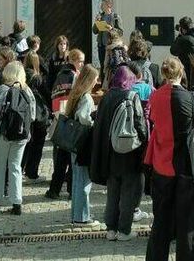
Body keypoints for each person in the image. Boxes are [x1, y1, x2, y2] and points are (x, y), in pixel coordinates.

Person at [144, 57, 194, 261]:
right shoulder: (192, 97)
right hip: (186, 164)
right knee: (188, 221)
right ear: (181, 73)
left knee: (161, 219)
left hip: (161, 163)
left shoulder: (155, 96)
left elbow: (154, 121)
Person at [90, 64, 147, 241]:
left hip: (109, 152)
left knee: (113, 192)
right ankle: (124, 230)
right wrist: (144, 144)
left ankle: (111, 229)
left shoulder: (106, 97)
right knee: (129, 192)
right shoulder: (132, 96)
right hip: (129, 151)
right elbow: (140, 125)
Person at [0, 60, 35, 215]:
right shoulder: (27, 90)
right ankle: (16, 203)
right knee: (15, 167)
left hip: (3, 132)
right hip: (22, 134)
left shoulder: (3, 88)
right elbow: (32, 115)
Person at [45, 47, 84, 200]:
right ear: (73, 60)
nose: (82, 64)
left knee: (61, 158)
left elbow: (55, 95)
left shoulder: (61, 74)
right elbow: (74, 99)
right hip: (70, 120)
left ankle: (54, 190)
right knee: (70, 158)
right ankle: (71, 190)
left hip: (60, 118)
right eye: (80, 61)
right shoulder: (74, 76)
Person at [65, 64, 100, 227]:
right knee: (84, 181)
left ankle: (77, 214)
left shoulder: (75, 94)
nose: (97, 81)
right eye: (95, 78)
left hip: (74, 142)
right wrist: (94, 122)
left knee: (77, 179)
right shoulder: (86, 97)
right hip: (83, 142)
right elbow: (84, 117)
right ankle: (82, 217)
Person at [21, 52, 50, 181]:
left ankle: (20, 168)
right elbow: (47, 94)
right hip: (38, 113)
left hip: (25, 113)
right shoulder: (37, 77)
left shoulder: (21, 76)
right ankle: (32, 172)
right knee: (37, 143)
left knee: (25, 143)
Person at [170, 16, 194, 88]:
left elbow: (173, 50)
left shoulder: (184, 38)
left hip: (188, 69)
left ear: (183, 29)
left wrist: (179, 36)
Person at [94, 0, 122, 69]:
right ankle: (103, 80)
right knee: (102, 66)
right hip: (101, 46)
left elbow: (120, 32)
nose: (101, 6)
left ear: (109, 5)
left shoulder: (116, 17)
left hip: (112, 47)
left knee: (111, 67)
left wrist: (111, 29)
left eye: (102, 4)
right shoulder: (100, 16)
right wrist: (97, 22)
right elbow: (94, 31)